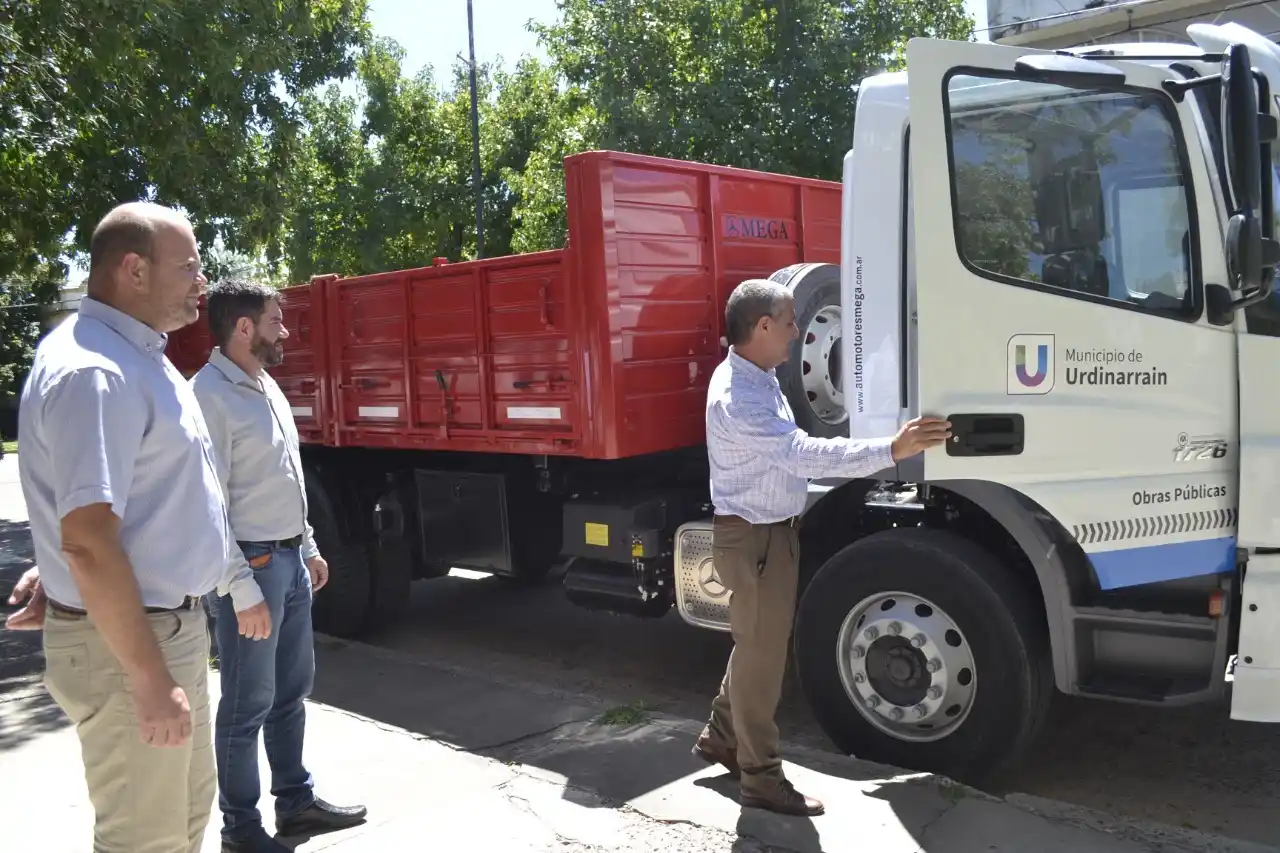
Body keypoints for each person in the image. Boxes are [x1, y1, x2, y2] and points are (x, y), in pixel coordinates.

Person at [16, 201, 232, 852]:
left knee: (181, 827)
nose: (203, 282)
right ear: (133, 269)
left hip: (159, 632)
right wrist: (149, 676)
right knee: (146, 843)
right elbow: (86, 537)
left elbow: (102, 512)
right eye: (189, 266)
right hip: (133, 652)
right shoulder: (95, 370)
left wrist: (61, 575)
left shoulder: (133, 353)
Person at [693, 278, 950, 817]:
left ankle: (721, 736)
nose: (796, 332)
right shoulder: (740, 398)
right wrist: (892, 448)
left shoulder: (756, 376)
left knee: (756, 647)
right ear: (761, 327)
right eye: (788, 322)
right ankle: (760, 778)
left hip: (765, 536)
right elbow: (803, 455)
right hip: (757, 541)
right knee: (763, 660)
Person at [192, 279, 366, 853]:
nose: (284, 330)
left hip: (288, 560)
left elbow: (285, 477)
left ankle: (295, 805)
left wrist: (309, 544)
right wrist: (240, 587)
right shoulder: (209, 396)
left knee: (291, 694)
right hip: (251, 569)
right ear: (243, 328)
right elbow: (206, 503)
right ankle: (241, 830)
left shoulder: (265, 385)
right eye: (274, 321)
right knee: (246, 707)